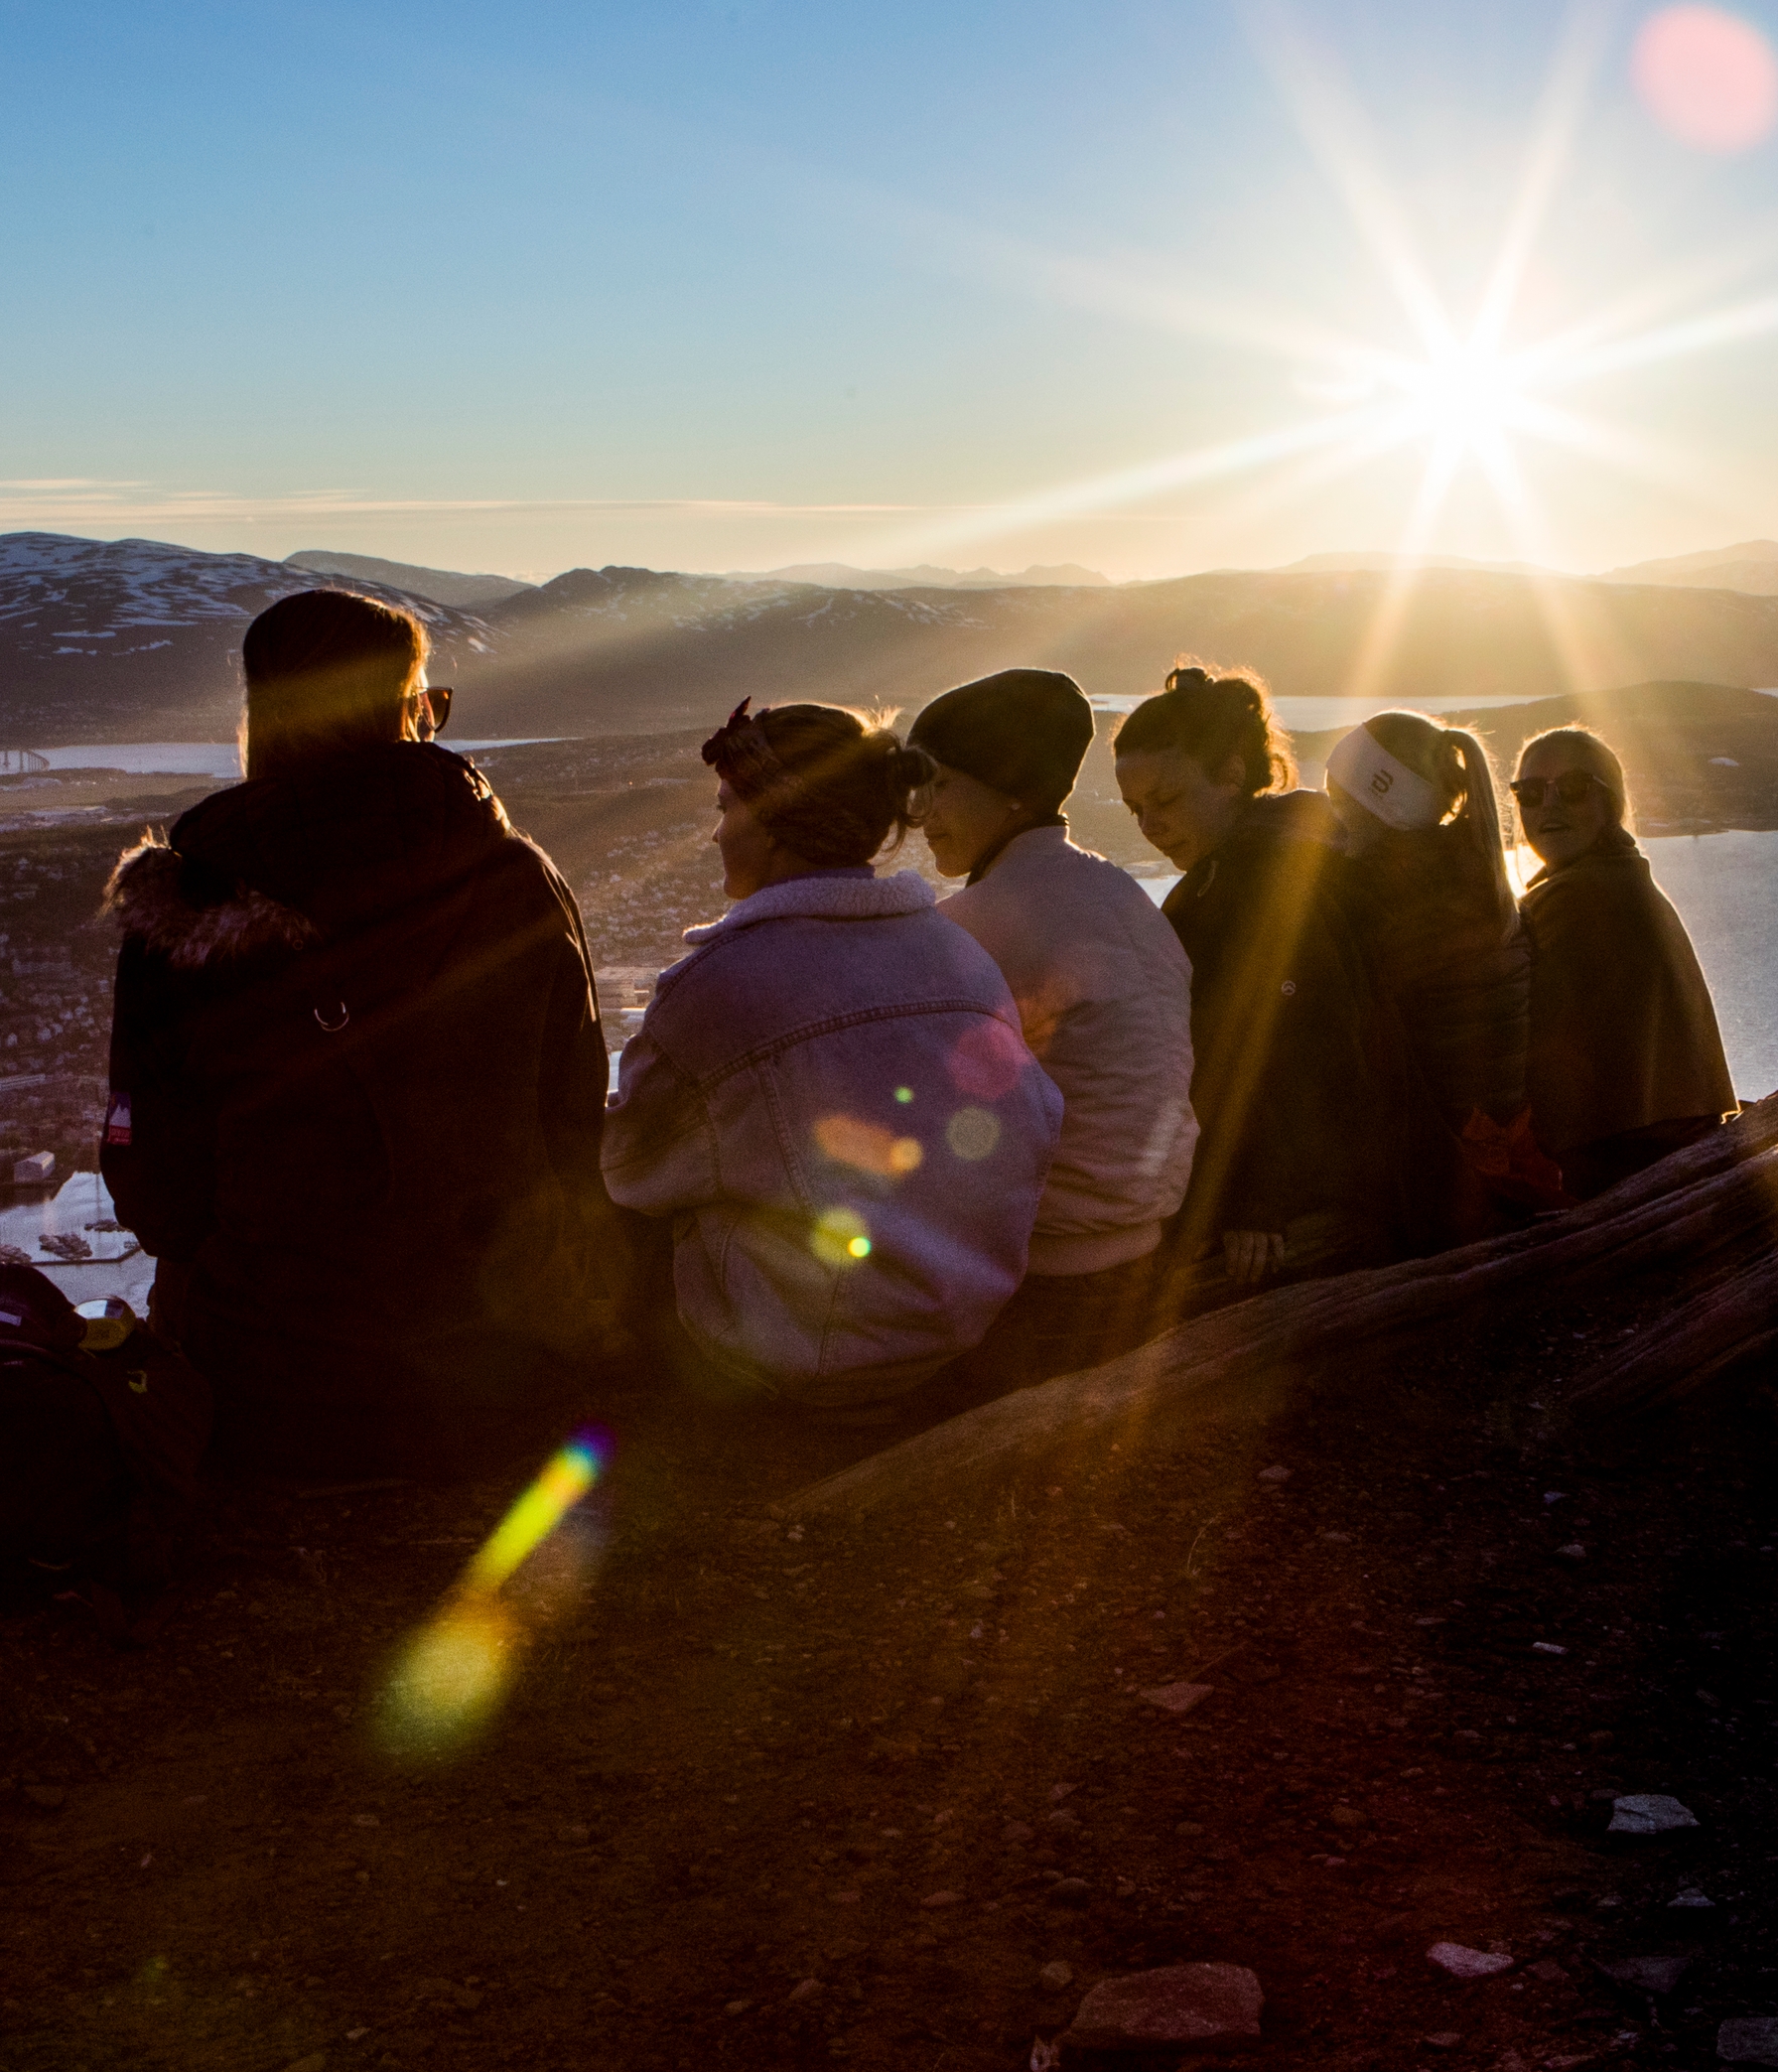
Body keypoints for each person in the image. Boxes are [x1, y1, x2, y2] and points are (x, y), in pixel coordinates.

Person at [102, 588, 626, 1477]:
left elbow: (153, 1175)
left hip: (268, 1383)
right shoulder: (513, 878)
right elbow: (574, 1119)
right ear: (404, 709)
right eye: (426, 701)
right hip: (498, 1370)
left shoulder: (186, 900)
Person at [601, 701, 1062, 1413]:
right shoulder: (960, 956)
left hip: (795, 1347)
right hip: (954, 1324)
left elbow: (629, 1171)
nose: (718, 831)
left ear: (777, 824)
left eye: (727, 809)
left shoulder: (720, 983)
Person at [1112, 664, 1454, 1298]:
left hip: (1309, 1194)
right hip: (1377, 1165)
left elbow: (1273, 1045)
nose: (1150, 827)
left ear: (1232, 775)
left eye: (1166, 801)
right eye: (1135, 809)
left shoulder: (1245, 887)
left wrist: (1250, 1200)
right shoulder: (1309, 841)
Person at [906, 667, 1198, 1393]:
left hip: (1049, 1280)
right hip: (1141, 1249)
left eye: (942, 785)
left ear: (1009, 789)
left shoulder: (977, 925)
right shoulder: (1119, 893)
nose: (922, 812)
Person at [1323, 709, 1543, 1222]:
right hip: (1498, 1148)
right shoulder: (1472, 880)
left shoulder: (1384, 902)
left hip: (1439, 1175)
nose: (1327, 820)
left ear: (1386, 803)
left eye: (1338, 802)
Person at [1510, 724, 1735, 1198]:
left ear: (1607, 802)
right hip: (1664, 1150)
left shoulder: (1578, 895)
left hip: (1624, 1168)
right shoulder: (1622, 878)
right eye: (1530, 792)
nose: (1548, 805)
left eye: (1571, 788)